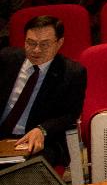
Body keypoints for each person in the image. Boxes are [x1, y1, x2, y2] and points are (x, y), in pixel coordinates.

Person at [0, 15, 87, 168]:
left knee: (24, 175)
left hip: (40, 140)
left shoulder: (72, 73)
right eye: (30, 43)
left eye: (44, 44)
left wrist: (43, 130)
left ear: (59, 43)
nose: (36, 50)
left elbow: (70, 115)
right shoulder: (6, 59)